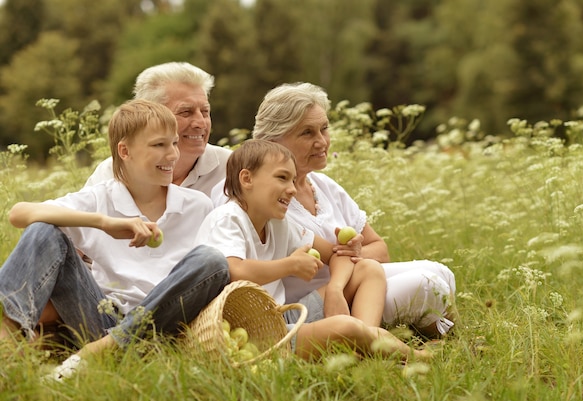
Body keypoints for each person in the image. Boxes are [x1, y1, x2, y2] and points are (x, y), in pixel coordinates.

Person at [0, 99, 229, 379]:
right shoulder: (100, 198)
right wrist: (103, 223)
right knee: (44, 227)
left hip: (164, 329)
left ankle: (102, 351)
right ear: (125, 151)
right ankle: (7, 341)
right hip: (100, 318)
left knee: (212, 261)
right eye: (159, 145)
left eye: (174, 144)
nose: (171, 155)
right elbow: (18, 213)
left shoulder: (198, 205)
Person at [225, 82, 457, 338]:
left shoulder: (324, 186)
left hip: (353, 284)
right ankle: (410, 337)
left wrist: (354, 253)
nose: (321, 141)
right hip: (307, 304)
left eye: (324, 129)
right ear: (272, 141)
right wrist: (344, 264)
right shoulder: (266, 200)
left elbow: (380, 250)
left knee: (440, 272)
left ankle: (431, 334)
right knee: (427, 285)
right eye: (307, 133)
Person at [197, 140, 430, 361]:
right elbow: (235, 270)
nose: (291, 189)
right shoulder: (227, 219)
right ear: (247, 178)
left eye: (292, 180)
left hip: (280, 317)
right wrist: (290, 265)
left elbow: (339, 254)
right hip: (251, 334)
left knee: (368, 269)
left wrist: (336, 291)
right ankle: (412, 356)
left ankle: (367, 344)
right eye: (282, 178)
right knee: (344, 327)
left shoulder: (278, 223)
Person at [85, 62, 232, 193]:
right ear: (150, 114)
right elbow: (70, 217)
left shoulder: (231, 168)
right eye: (186, 112)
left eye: (205, 111)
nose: (201, 123)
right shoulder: (115, 172)